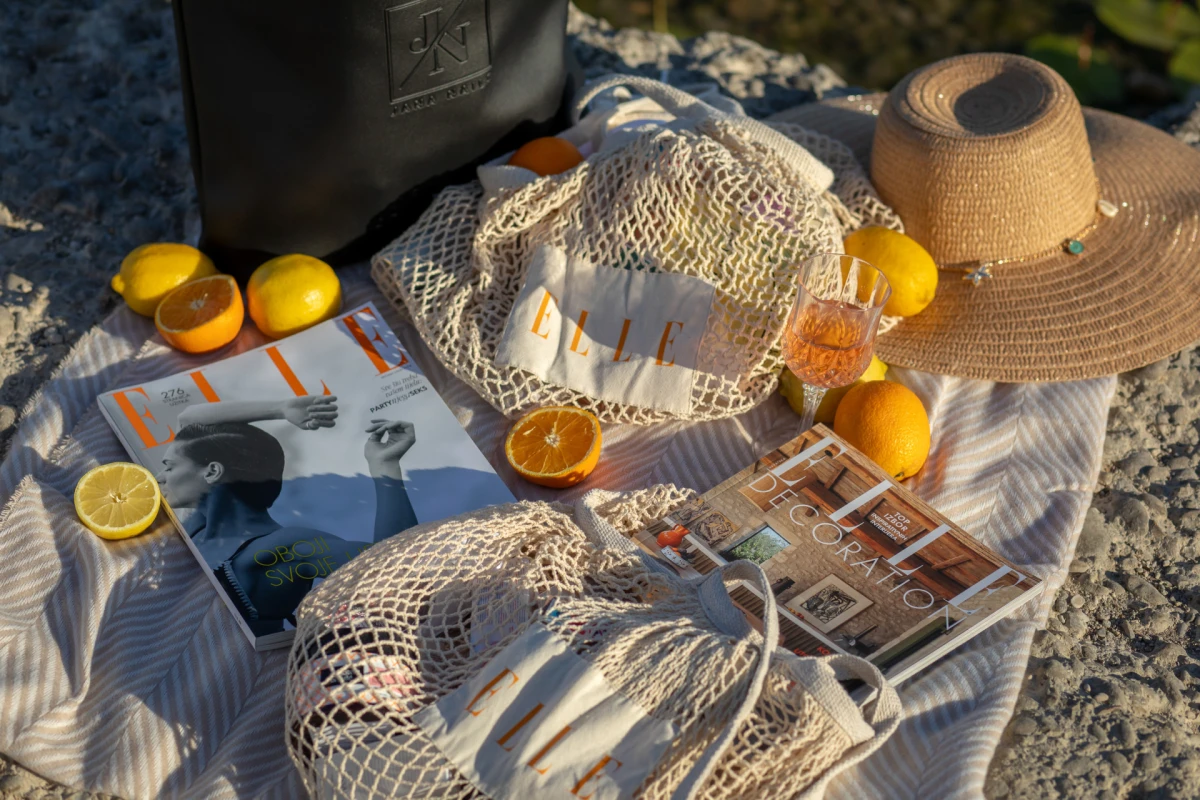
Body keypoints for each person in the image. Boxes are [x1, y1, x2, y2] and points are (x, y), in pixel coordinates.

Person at [156, 394, 418, 635]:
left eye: (169, 467)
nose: (159, 477)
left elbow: (394, 571)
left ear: (212, 472)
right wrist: (281, 408)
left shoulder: (282, 549)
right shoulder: (197, 527)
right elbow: (189, 419)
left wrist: (385, 465)